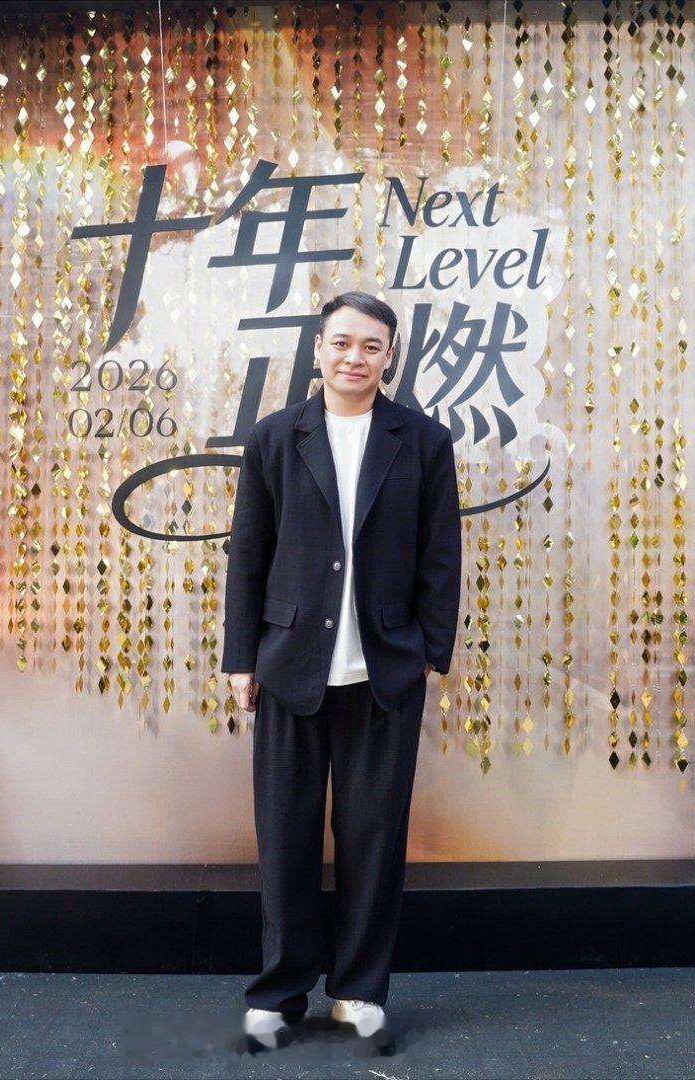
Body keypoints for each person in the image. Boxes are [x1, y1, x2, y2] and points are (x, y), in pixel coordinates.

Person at [221, 290, 462, 1055]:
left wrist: (426, 652)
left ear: (389, 356)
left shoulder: (421, 441)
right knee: (285, 838)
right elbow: (248, 553)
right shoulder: (273, 437)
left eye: (370, 346)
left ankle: (359, 990)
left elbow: (440, 555)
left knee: (372, 839)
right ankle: (278, 992)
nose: (354, 357)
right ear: (319, 349)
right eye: (341, 342)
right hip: (288, 667)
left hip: (383, 674)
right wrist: (240, 657)